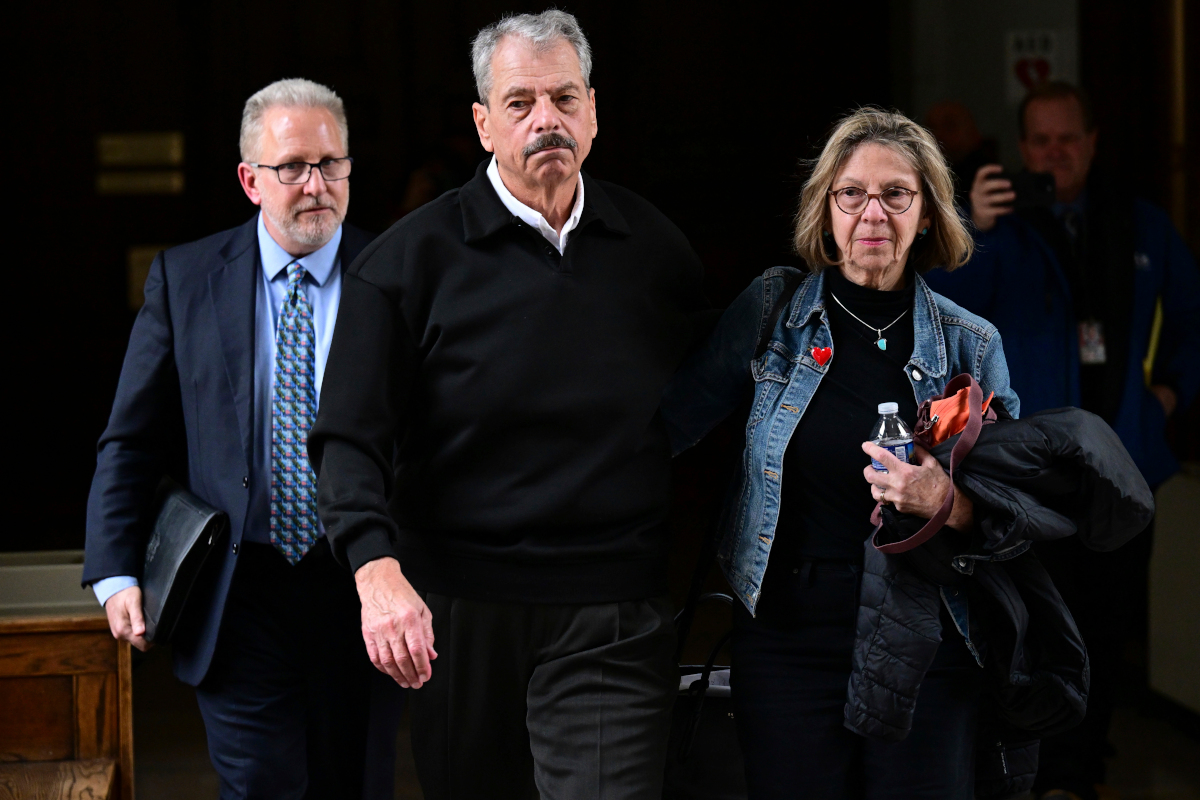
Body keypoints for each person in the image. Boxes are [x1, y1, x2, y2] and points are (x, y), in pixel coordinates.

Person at [308, 10, 705, 800]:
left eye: (563, 97)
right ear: (485, 125)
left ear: (594, 110)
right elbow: (348, 440)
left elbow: (712, 411)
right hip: (461, 610)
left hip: (612, 604)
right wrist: (376, 573)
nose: (546, 120)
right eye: (520, 103)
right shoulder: (406, 264)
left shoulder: (656, 251)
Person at [661, 107, 1020, 799]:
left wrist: (944, 502)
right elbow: (669, 430)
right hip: (790, 633)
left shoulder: (972, 344)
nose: (872, 212)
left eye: (896, 194)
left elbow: (1014, 518)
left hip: (929, 632)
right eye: (851, 193)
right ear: (826, 210)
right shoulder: (773, 314)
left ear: (927, 216)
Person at [83, 79, 401, 800]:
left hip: (361, 584)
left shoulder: (396, 273)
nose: (316, 184)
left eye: (332, 164)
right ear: (250, 179)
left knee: (357, 784)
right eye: (292, 167)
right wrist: (115, 569)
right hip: (239, 586)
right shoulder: (188, 278)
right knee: (261, 785)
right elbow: (131, 436)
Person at [924, 81, 1200, 800]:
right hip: (1027, 480)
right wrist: (968, 227)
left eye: (1068, 138)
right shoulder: (998, 234)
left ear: (1093, 141)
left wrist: (1167, 397)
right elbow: (937, 317)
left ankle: (1081, 777)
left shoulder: (1142, 227)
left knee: (1106, 632)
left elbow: (1194, 322)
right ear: (1021, 151)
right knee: (1032, 628)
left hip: (1124, 466)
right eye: (1040, 141)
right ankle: (1031, 776)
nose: (1055, 153)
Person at [925, 100, 999, 208]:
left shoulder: (988, 177)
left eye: (949, 126)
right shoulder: (922, 178)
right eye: (930, 128)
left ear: (974, 132)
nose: (938, 134)